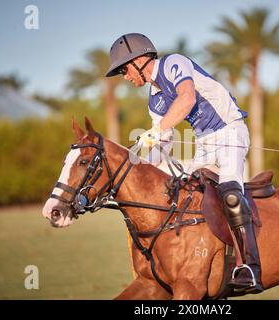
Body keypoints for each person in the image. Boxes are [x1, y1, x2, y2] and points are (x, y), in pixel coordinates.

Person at [105, 33, 263, 293]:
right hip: (204, 145)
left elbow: (187, 98)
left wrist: (159, 130)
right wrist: (133, 173)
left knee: (231, 195)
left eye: (124, 69)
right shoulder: (154, 99)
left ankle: (249, 266)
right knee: (184, 194)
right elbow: (162, 143)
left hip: (230, 132)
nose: (125, 76)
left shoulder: (173, 63)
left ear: (140, 60)